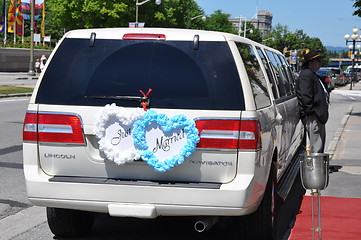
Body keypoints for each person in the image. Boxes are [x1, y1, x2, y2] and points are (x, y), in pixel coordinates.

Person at [296, 50, 329, 153]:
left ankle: (318, 165)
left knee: (318, 142)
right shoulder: (307, 74)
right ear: (310, 62)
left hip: (317, 115)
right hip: (313, 116)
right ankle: (316, 167)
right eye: (318, 60)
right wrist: (311, 112)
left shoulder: (312, 74)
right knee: (316, 144)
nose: (320, 63)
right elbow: (306, 95)